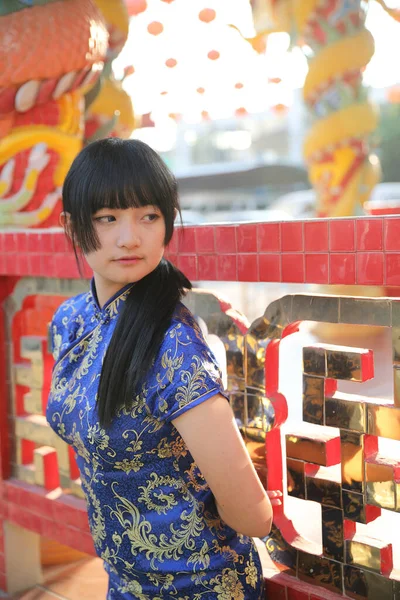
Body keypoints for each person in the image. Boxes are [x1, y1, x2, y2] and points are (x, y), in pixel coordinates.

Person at [46, 138, 281, 600]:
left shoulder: (173, 346)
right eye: (107, 218)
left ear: (167, 224)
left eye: (148, 216)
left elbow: (254, 517)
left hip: (200, 586)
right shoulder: (69, 321)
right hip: (124, 581)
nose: (130, 237)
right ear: (72, 227)